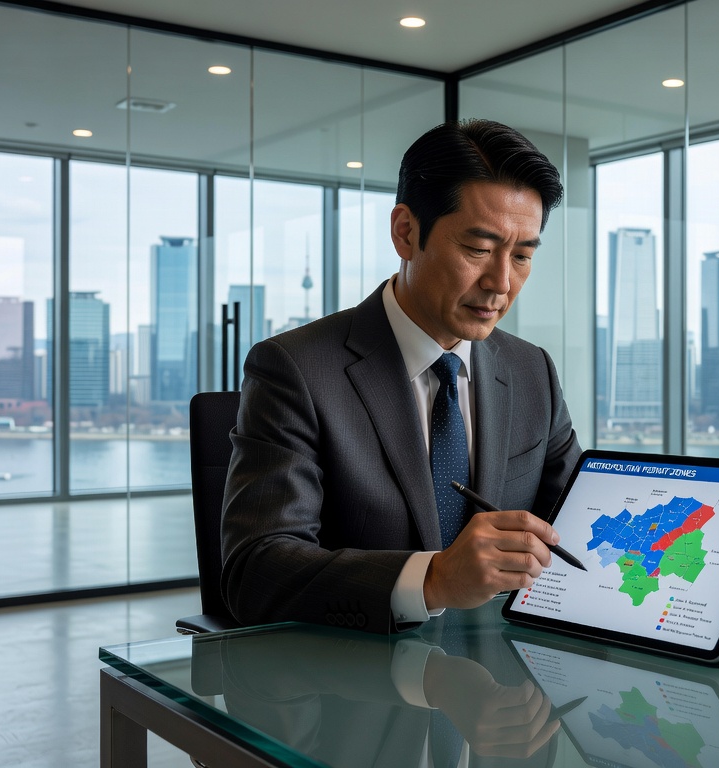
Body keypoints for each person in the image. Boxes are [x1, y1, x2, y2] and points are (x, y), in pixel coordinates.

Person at [220, 119, 581, 634]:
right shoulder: (295, 368)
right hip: (358, 687)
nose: (501, 283)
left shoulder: (532, 371)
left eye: (522, 255)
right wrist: (432, 579)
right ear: (406, 232)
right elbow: (256, 569)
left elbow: (574, 530)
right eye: (478, 249)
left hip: (504, 683)